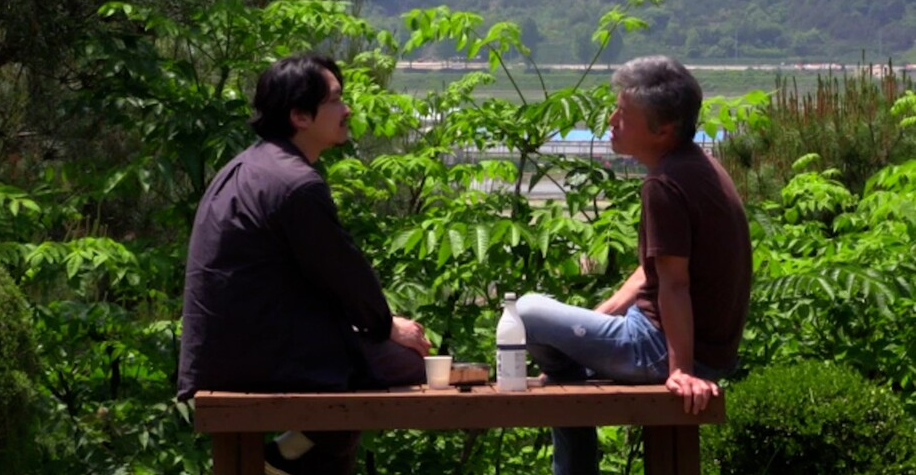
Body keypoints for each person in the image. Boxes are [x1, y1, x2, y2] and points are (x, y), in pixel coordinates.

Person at [177, 54, 431, 475]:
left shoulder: (246, 167)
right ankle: (279, 460)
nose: (347, 110)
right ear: (299, 115)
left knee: (351, 380)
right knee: (408, 364)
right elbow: (344, 275)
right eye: (336, 100)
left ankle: (284, 457)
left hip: (221, 351)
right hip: (262, 356)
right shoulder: (295, 185)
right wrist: (388, 326)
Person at [516, 55, 752, 475]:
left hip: (659, 351)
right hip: (696, 348)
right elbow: (652, 271)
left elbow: (675, 285)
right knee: (566, 368)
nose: (611, 121)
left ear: (663, 130)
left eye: (623, 114)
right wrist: (596, 319)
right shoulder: (696, 165)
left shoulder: (664, 183)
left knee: (525, 315)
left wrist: (680, 370)